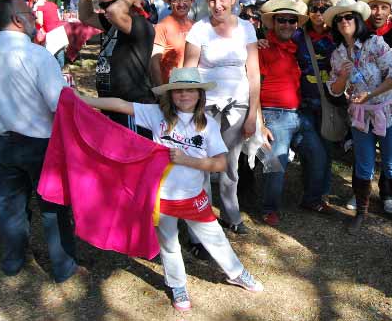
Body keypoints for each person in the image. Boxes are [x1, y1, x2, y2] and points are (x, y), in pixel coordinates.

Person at [79, 67, 263, 312]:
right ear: (170, 94)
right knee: (169, 243)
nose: (184, 95)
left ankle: (236, 272)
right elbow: (122, 105)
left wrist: (187, 160)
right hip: (160, 197)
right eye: (178, 91)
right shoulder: (157, 114)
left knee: (215, 237)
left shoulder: (207, 125)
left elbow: (220, 162)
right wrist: (82, 99)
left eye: (189, 90)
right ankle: (177, 285)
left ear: (199, 94)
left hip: (193, 197)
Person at [0, 0, 81, 282]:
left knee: (10, 203)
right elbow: (59, 104)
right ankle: (63, 266)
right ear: (17, 20)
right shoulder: (36, 55)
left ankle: (12, 261)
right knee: (52, 206)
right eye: (30, 13)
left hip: (1, 140)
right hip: (39, 143)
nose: (35, 18)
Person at [324, 0, 392, 233]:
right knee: (364, 166)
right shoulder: (338, 54)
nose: (344, 21)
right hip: (360, 116)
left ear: (358, 20)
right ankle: (361, 212)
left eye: (349, 16)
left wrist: (371, 94)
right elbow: (334, 89)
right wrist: (342, 75)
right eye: (338, 19)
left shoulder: (375, 43)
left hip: (388, 111)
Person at [184, 0, 260, 235]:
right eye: (212, 0)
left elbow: (253, 73)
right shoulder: (198, 30)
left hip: (237, 107)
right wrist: (186, 112)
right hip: (204, 108)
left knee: (230, 164)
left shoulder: (247, 28)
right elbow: (188, 71)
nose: (217, 5)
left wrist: (253, 114)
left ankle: (231, 214)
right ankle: (202, 222)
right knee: (201, 165)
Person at [258, 0, 333, 225]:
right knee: (275, 166)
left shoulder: (295, 47)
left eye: (292, 21)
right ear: (273, 22)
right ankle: (267, 208)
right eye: (282, 20)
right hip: (272, 114)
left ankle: (310, 199)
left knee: (319, 156)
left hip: (298, 114)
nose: (287, 25)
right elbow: (251, 86)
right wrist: (258, 122)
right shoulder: (261, 49)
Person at [78, 0, 156, 136]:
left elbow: (114, 11)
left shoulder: (140, 25)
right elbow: (85, 16)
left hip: (131, 107)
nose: (106, 9)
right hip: (110, 105)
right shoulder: (113, 23)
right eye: (102, 4)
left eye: (110, 2)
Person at [293, 0, 340, 205]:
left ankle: (322, 192)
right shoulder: (297, 36)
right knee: (311, 149)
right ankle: (310, 190)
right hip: (303, 102)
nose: (319, 12)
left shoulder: (338, 35)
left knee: (327, 149)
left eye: (324, 8)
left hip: (329, 103)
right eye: (314, 8)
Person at [151, 0, 199, 86]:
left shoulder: (195, 26)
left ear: (192, 1)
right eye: (176, 0)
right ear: (169, 2)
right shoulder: (162, 27)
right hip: (170, 88)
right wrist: (161, 92)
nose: (181, 4)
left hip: (192, 86)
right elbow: (154, 62)